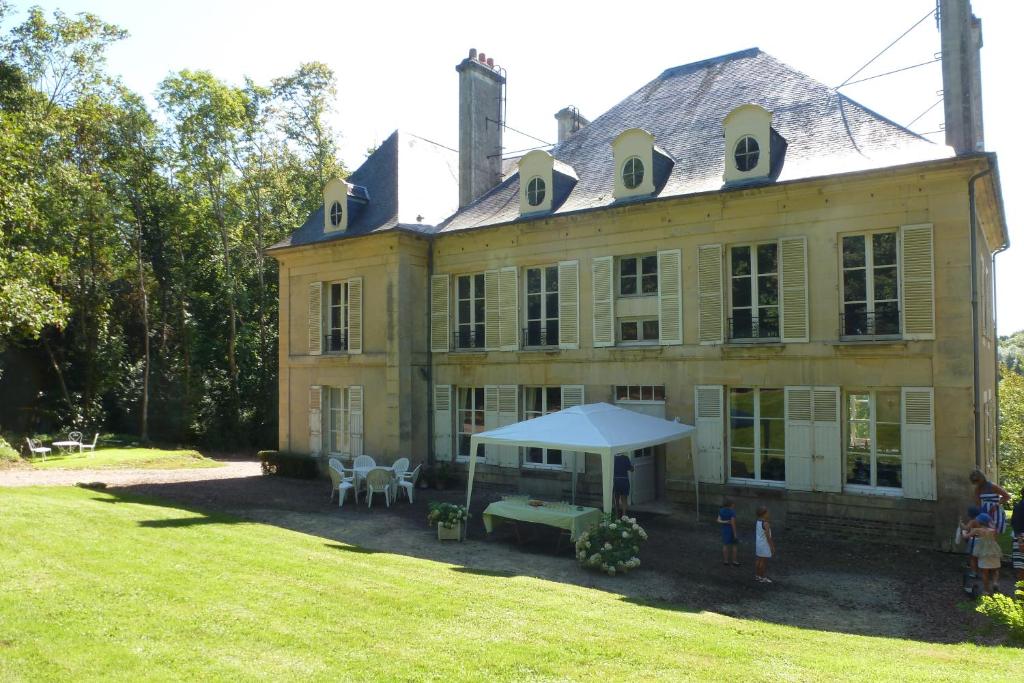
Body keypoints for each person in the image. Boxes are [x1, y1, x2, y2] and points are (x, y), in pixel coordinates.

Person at [968, 512, 1002, 594]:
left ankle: (986, 590)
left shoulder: (978, 530)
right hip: (994, 551)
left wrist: (963, 533)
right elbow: (995, 538)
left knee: (985, 572)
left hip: (983, 552)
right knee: (995, 569)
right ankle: (995, 582)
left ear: (979, 522)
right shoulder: (993, 530)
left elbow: (967, 536)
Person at [969, 469, 1010, 535]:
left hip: (996, 511)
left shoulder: (993, 486)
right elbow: (978, 503)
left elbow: (1007, 496)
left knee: (994, 533)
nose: (976, 483)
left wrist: (997, 504)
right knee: (986, 534)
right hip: (985, 512)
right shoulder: (977, 489)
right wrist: (980, 515)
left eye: (977, 480)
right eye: (974, 481)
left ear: (982, 478)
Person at [754, 506, 775, 584]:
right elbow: (768, 537)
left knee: (759, 560)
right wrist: (772, 546)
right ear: (764, 514)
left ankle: (757, 575)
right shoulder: (766, 523)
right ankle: (762, 577)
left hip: (759, 544)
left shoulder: (758, 521)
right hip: (764, 545)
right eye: (767, 512)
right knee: (763, 561)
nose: (768, 514)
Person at [717, 500, 740, 566]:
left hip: (724, 530)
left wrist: (725, 521)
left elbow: (718, 520)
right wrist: (735, 534)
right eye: (733, 504)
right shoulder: (732, 512)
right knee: (734, 545)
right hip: (731, 530)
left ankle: (725, 561)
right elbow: (732, 523)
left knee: (725, 545)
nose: (734, 505)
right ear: (730, 505)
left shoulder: (721, 510)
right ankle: (734, 561)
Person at [612, 452, 634, 518]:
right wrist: (632, 467)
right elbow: (631, 469)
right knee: (624, 499)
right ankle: (624, 515)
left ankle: (616, 515)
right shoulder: (625, 458)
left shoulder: (613, 458)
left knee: (616, 499)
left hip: (615, 480)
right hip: (624, 480)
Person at [1012, 489, 1024, 583]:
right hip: (1021, 538)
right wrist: (1020, 542)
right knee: (1021, 568)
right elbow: (1016, 525)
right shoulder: (1020, 507)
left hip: (1020, 538)